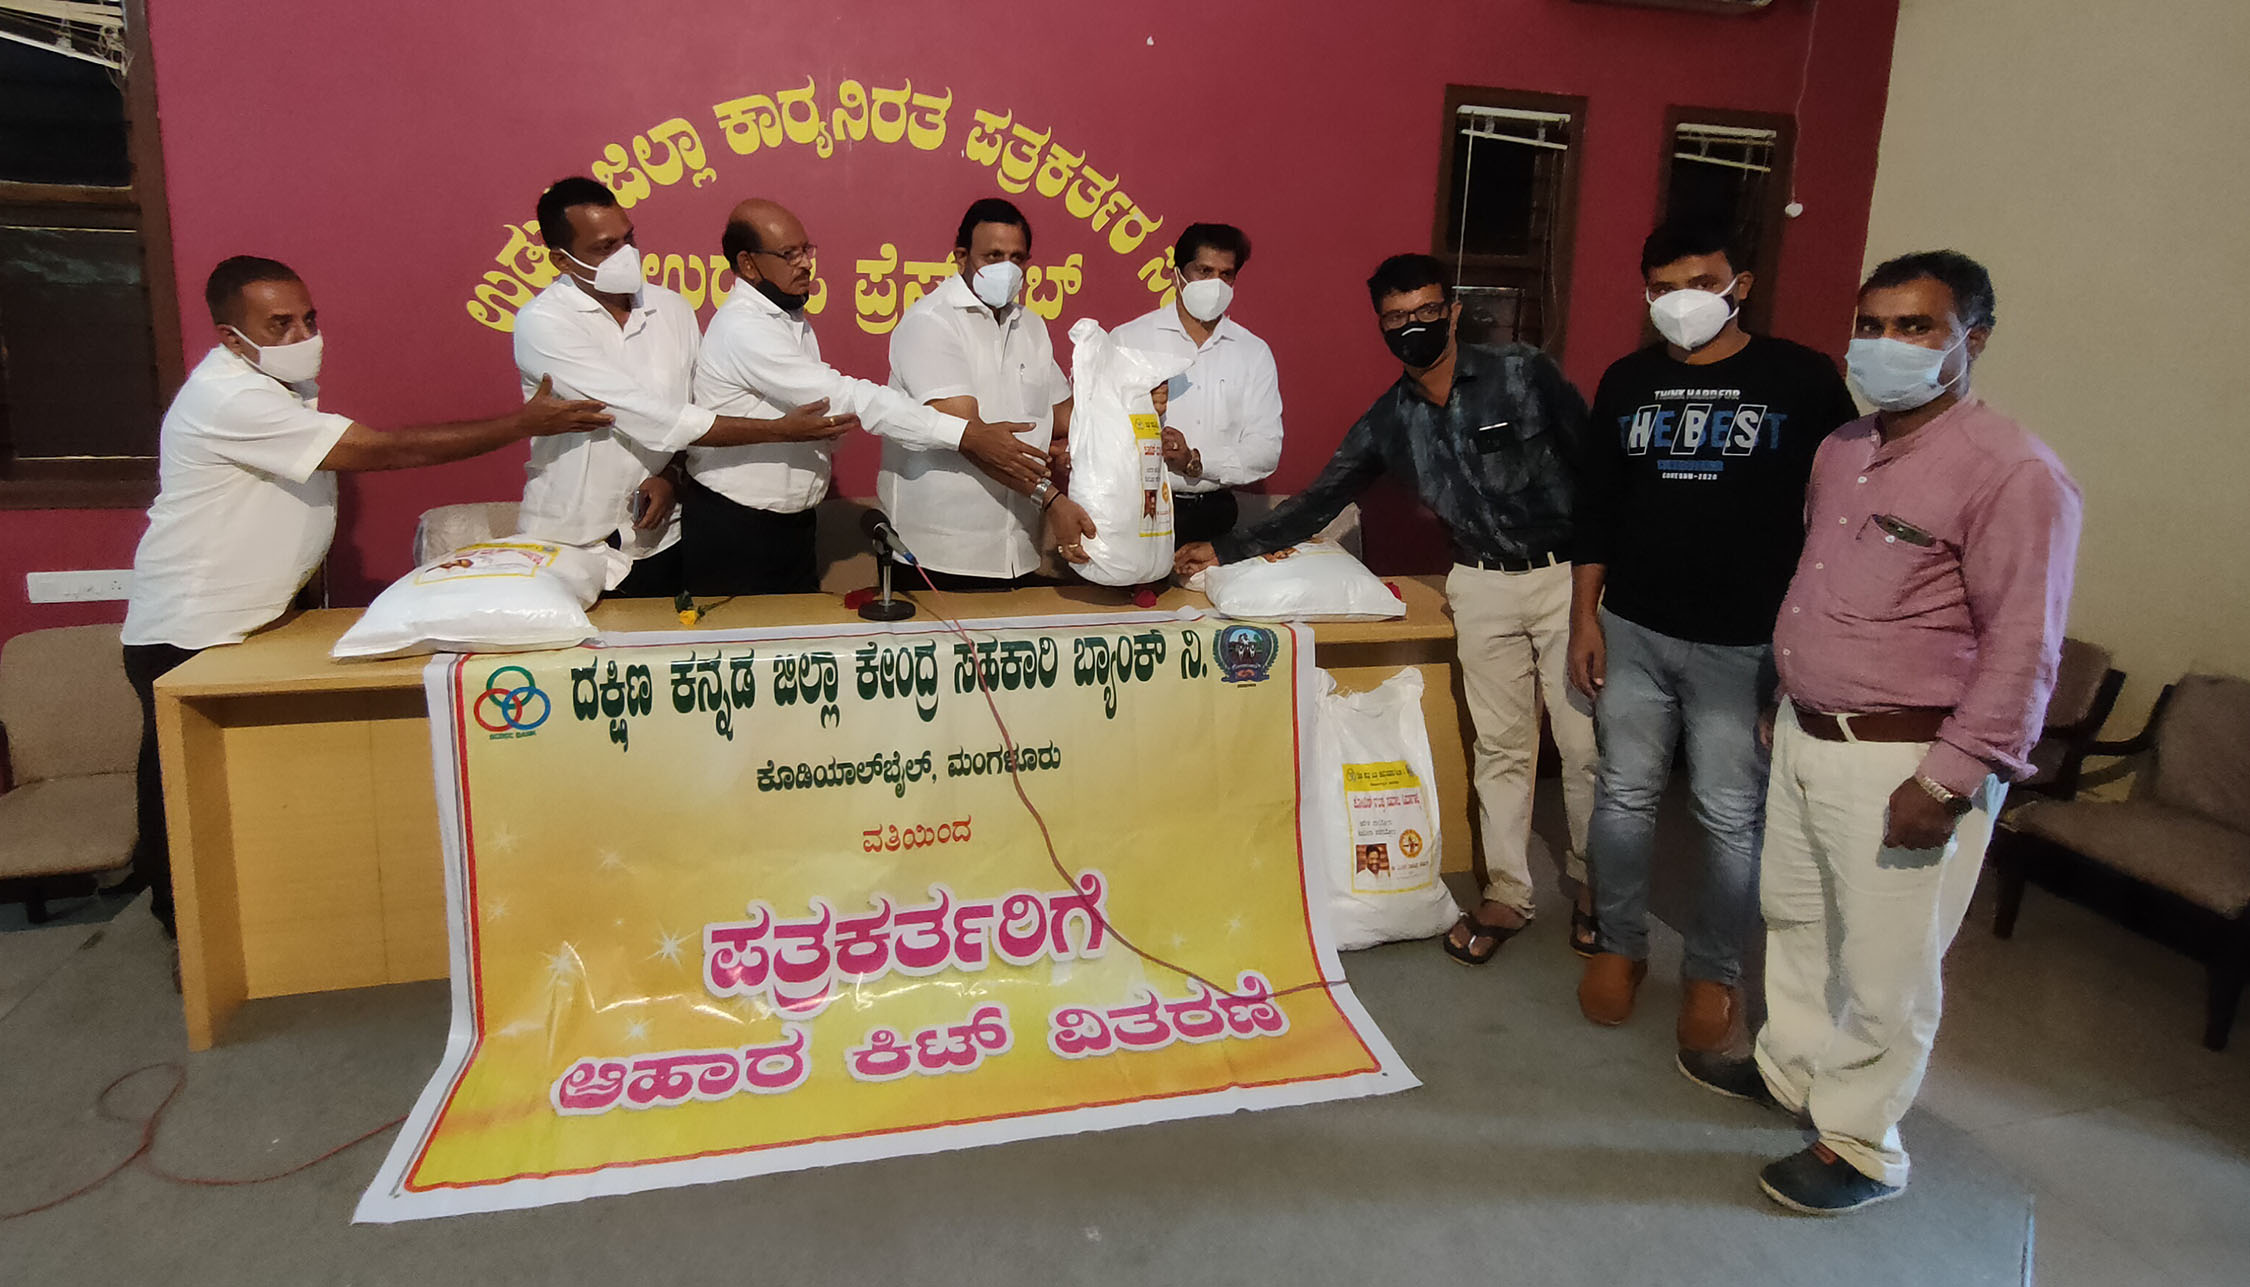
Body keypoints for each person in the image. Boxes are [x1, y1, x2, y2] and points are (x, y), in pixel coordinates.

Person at [1676, 251, 2081, 1215]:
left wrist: (1949, 778)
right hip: (1808, 733)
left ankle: (1861, 1143)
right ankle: (1792, 1069)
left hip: (1906, 755)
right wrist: (1787, 698)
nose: (1885, 345)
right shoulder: (1843, 448)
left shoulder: (2014, 472)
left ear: (1972, 340)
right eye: (1872, 325)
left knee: (1886, 960)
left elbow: (2025, 645)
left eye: (1915, 327)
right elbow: (1821, 585)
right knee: (1797, 918)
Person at [120, 255, 616, 937]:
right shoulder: (228, 397)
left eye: (308, 319)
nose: (303, 336)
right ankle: (188, 933)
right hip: (191, 628)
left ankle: (230, 915)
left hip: (257, 622)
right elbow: (381, 451)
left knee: (231, 791)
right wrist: (523, 423)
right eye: (280, 324)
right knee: (185, 799)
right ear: (231, 337)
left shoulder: (279, 386)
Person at [1177, 253, 1597, 964]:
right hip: (1480, 584)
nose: (1414, 326)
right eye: (1397, 317)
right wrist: (1224, 548)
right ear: (1382, 326)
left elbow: (1596, 470)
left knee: (1584, 747)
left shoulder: (1523, 373)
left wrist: (1599, 589)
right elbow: (1320, 498)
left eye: (1427, 311)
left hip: (1565, 578)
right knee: (1500, 747)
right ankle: (1507, 892)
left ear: (1453, 312)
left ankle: (1595, 890)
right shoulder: (1388, 420)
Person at [1568, 220, 1859, 1051]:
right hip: (1634, 628)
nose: (1680, 301)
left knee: (1730, 816)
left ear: (1742, 286)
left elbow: (1838, 513)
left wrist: (1807, 645)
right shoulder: (1628, 380)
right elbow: (1597, 508)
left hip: (1745, 645)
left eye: (1700, 283)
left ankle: (1713, 969)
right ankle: (1621, 946)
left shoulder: (1801, 378)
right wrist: (1585, 616)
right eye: (1662, 288)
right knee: (1623, 797)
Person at [512, 176, 856, 598]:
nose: (625, 255)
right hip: (572, 542)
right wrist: (780, 430)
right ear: (562, 261)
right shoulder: (544, 323)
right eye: (605, 247)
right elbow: (645, 416)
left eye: (628, 238)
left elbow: (695, 408)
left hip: (662, 537)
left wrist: (671, 475)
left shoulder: (672, 309)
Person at [682, 198, 1047, 596]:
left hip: (791, 528)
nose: (805, 264)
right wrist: (965, 434)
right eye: (789, 255)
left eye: (806, 250)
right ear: (748, 264)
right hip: (737, 529)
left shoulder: (788, 317)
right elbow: (846, 398)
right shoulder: (744, 328)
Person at [883, 197, 1093, 589]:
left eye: (1017, 258)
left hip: (1018, 549)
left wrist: (1134, 405)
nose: (1006, 268)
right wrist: (1051, 499)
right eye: (993, 256)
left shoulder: (1031, 326)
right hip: (941, 553)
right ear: (961, 257)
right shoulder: (931, 323)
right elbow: (971, 437)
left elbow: (1064, 416)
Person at [1111, 223, 1283, 546]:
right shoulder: (1129, 340)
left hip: (1216, 513)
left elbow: (1266, 450)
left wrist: (1195, 460)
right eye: (1204, 271)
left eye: (1226, 274)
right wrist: (1140, 414)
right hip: (1140, 507)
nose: (1215, 284)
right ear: (1176, 274)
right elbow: (1097, 430)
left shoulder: (1253, 352)